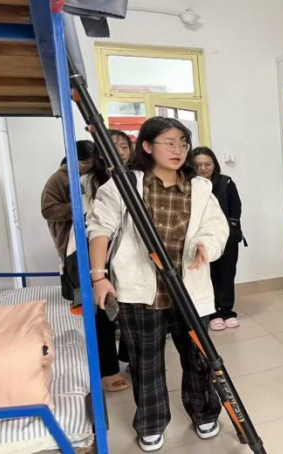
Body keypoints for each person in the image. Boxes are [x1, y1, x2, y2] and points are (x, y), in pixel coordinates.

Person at [87, 117, 229, 452]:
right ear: (148, 146)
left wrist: (207, 245)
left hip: (189, 290)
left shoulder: (200, 188)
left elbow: (216, 226)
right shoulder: (124, 183)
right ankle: (151, 422)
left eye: (183, 143)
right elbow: (100, 227)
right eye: (169, 142)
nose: (178, 149)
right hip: (139, 291)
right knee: (145, 362)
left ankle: (204, 412)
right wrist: (99, 277)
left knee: (199, 358)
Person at [67, 129, 135, 393]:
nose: (119, 151)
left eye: (124, 146)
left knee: (133, 305)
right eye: (112, 145)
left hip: (128, 252)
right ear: (100, 152)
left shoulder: (138, 177)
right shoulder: (88, 181)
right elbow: (90, 222)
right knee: (102, 311)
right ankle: (108, 370)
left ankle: (131, 358)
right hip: (97, 252)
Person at [192, 146, 244, 331]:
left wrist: (228, 229)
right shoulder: (189, 184)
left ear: (214, 164)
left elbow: (236, 209)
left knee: (226, 275)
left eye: (208, 164)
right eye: (198, 165)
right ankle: (212, 314)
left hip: (227, 238)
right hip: (200, 240)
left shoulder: (225, 182)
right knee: (207, 276)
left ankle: (227, 312)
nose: (203, 168)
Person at [41, 140, 94, 259]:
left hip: (93, 235)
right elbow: (48, 210)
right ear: (72, 159)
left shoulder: (92, 176)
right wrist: (79, 207)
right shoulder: (57, 179)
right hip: (70, 240)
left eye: (93, 163)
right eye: (85, 163)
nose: (89, 166)